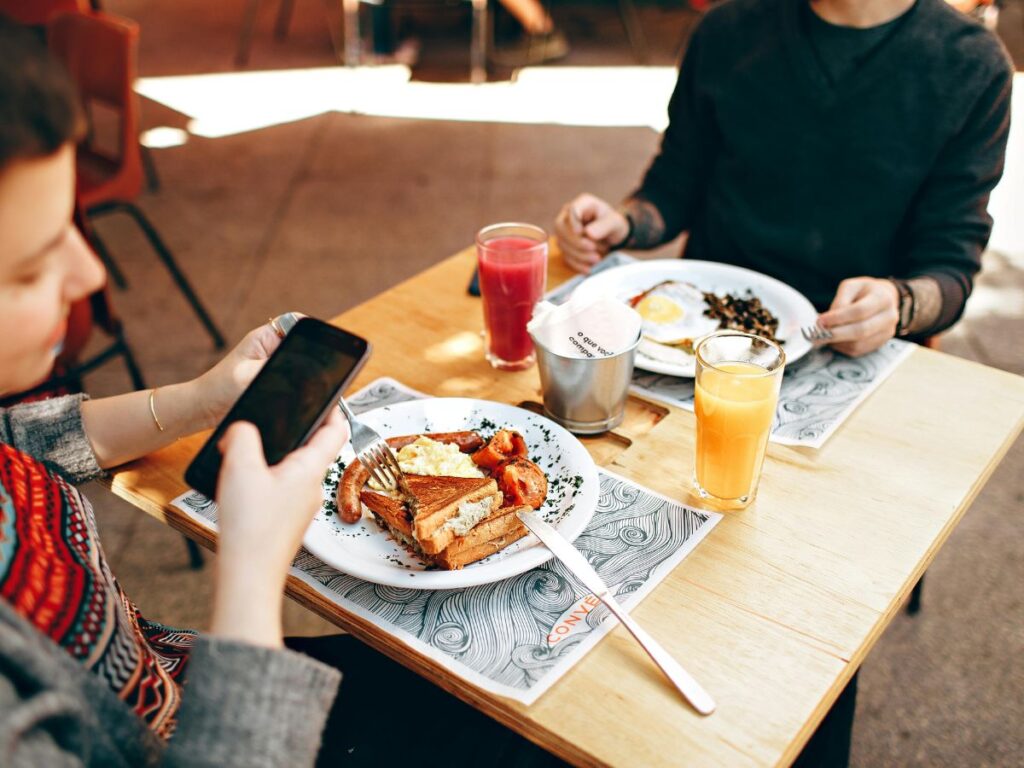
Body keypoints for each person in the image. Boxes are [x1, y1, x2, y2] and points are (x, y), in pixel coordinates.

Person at [0, 17, 567, 767]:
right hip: (221, 728)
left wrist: (205, 398)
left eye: (73, 227)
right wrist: (252, 567)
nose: (91, 276)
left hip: (182, 670)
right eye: (32, 268)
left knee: (510, 685)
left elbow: (19, 442)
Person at [555, 0, 1013, 357]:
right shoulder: (726, 30)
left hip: (847, 347)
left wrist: (899, 304)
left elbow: (950, 269)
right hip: (700, 332)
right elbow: (673, 187)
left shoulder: (972, 65)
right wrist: (624, 222)